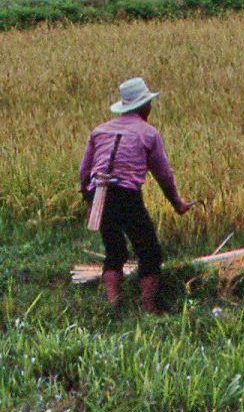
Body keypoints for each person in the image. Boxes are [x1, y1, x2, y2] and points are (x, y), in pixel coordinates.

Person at [79, 77, 193, 313]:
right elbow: (164, 175)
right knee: (149, 251)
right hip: (125, 194)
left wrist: (89, 200)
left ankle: (114, 305)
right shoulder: (149, 133)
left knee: (115, 249)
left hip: (98, 192)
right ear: (144, 106)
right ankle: (150, 306)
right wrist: (177, 204)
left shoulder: (99, 131)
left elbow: (85, 171)